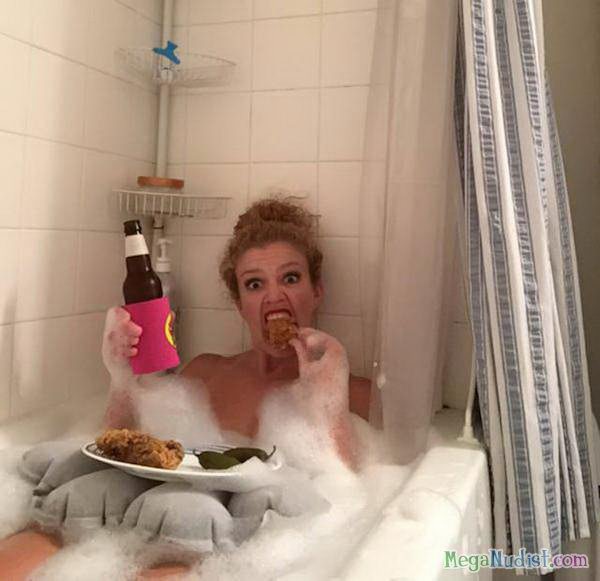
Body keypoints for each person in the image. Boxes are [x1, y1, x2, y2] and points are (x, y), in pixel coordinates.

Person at [0, 199, 372, 580]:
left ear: (317, 290)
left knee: (186, 528)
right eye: (254, 284)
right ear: (239, 304)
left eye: (290, 278)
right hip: (144, 521)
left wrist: (330, 403)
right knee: (71, 505)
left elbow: (351, 494)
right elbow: (120, 445)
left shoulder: (353, 391)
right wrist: (121, 378)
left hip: (227, 544)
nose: (274, 296)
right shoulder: (206, 373)